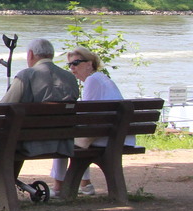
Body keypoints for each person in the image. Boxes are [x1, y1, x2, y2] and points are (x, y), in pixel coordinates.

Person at [48, 46, 133, 197]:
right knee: (78, 139)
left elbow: (86, 116)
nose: (72, 68)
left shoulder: (92, 81)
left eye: (76, 63)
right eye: (70, 65)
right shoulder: (102, 79)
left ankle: (58, 186)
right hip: (118, 135)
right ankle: (85, 185)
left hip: (107, 137)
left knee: (62, 139)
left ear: (89, 63)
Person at [2, 37, 79, 174]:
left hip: (30, 143)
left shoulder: (26, 75)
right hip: (63, 143)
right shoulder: (70, 77)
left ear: (30, 54)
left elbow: (5, 107)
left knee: (5, 139)